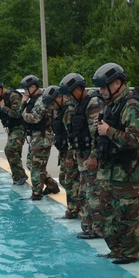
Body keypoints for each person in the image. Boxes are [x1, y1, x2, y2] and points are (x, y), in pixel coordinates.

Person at [93, 62, 139, 264]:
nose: (101, 91)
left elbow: (135, 140)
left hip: (127, 173)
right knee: (107, 214)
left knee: (126, 216)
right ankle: (117, 250)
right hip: (109, 171)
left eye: (104, 87)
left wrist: (109, 131)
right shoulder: (112, 105)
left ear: (117, 83)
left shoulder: (132, 105)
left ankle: (132, 252)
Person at [60, 72, 103, 237]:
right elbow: (73, 132)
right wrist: (72, 153)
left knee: (93, 194)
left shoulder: (93, 103)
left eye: (70, 94)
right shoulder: (78, 105)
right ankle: (88, 227)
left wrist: (93, 156)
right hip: (82, 156)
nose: (68, 98)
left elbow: (96, 134)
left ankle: (97, 229)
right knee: (84, 193)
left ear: (78, 89)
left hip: (90, 158)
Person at [20, 77, 62, 200]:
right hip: (36, 136)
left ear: (33, 87)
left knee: (36, 166)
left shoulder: (41, 100)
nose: (25, 92)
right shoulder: (32, 99)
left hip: (43, 137)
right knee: (32, 164)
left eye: (26, 89)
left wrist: (24, 113)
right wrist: (23, 103)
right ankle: (52, 186)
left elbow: (34, 118)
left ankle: (37, 193)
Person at [0, 79, 28, 185]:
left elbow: (18, 113)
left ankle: (20, 175)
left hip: (19, 127)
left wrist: (3, 107)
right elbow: (2, 116)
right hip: (11, 128)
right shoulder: (2, 99)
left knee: (10, 149)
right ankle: (17, 176)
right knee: (15, 153)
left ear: (0, 90)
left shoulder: (14, 96)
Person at [52, 77, 81, 218]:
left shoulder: (68, 111)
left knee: (69, 180)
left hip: (70, 152)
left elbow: (71, 134)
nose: (51, 107)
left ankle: (73, 209)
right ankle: (77, 204)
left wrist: (70, 156)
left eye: (53, 103)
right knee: (64, 179)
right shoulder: (61, 111)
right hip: (64, 151)